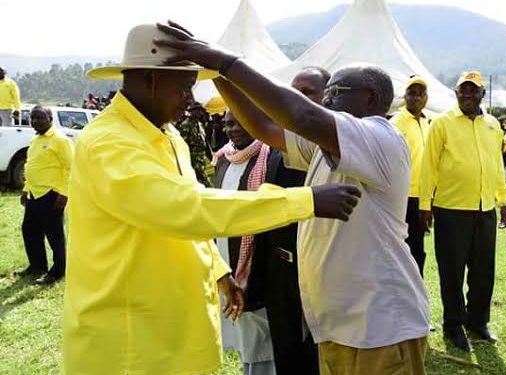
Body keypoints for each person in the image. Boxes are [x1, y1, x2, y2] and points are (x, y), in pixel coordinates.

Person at [62, 24, 361, 375]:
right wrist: (305, 201)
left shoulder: (167, 136)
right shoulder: (109, 144)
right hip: (130, 342)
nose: (190, 100)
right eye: (184, 88)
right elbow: (187, 207)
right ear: (150, 79)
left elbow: (184, 216)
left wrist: (219, 271)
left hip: (173, 330)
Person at [155, 21, 430, 375]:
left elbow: (299, 114)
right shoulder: (326, 145)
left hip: (379, 327)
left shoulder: (381, 139)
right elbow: (265, 127)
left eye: (334, 92)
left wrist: (226, 61)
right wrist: (218, 75)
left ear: (371, 99)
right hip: (343, 325)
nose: (324, 100)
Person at [419, 71, 506, 351]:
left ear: (482, 94)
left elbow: (496, 165)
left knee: (484, 270)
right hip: (451, 210)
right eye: (463, 91)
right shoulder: (442, 123)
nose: (468, 95)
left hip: (485, 208)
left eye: (474, 91)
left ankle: (477, 321)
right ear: (456, 93)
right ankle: (453, 325)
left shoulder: (493, 125)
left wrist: (504, 200)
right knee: (452, 272)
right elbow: (428, 167)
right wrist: (425, 206)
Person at [254, 66, 329, 375]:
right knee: (285, 348)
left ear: (329, 98)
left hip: (320, 270)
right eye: (293, 90)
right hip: (279, 270)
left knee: (318, 352)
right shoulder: (271, 147)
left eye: (308, 92)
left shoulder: (334, 150)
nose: (296, 98)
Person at [213, 111, 279, 375]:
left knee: (261, 334)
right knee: (243, 332)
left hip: (259, 262)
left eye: (241, 121)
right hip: (227, 254)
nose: (233, 129)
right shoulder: (222, 159)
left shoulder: (270, 157)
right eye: (228, 123)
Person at [15, 106, 73, 285]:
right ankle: (37, 265)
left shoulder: (59, 140)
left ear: (50, 118)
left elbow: (72, 168)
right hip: (34, 193)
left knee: (54, 235)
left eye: (40, 118)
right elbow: (31, 166)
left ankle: (57, 271)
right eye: (32, 118)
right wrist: (26, 189)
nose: (35, 121)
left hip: (51, 195)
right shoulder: (35, 139)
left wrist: (64, 194)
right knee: (30, 231)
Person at [389, 75, 430, 277]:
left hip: (422, 198)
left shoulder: (426, 122)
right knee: (403, 247)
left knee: (418, 247)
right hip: (403, 196)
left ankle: (416, 288)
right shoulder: (396, 122)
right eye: (412, 93)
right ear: (404, 96)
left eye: (421, 93)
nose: (416, 98)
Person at [176, 101, 213, 186]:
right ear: (191, 111)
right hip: (192, 161)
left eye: (200, 110)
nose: (199, 113)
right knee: (205, 184)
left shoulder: (200, 125)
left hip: (201, 160)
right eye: (197, 110)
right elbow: (182, 146)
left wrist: (211, 158)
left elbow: (205, 143)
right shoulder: (185, 125)